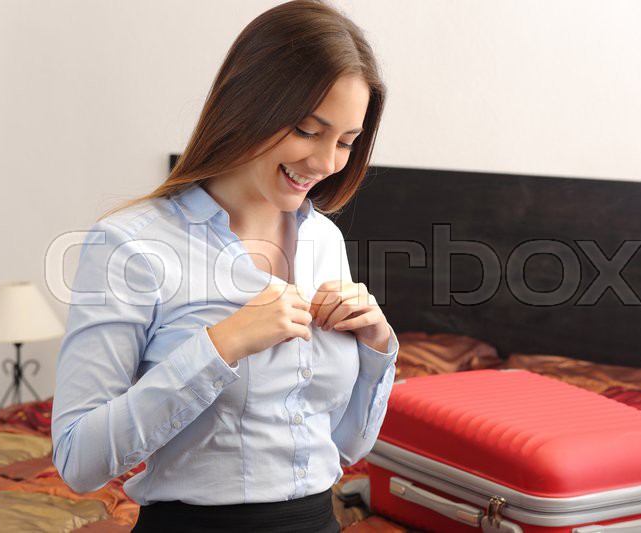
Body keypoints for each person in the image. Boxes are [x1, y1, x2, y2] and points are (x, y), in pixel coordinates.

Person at [50, 1, 399, 532]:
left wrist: (376, 349)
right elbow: (79, 462)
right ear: (249, 105)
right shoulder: (130, 246)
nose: (327, 163)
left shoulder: (324, 239)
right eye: (308, 130)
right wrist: (221, 347)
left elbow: (344, 446)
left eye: (346, 143)